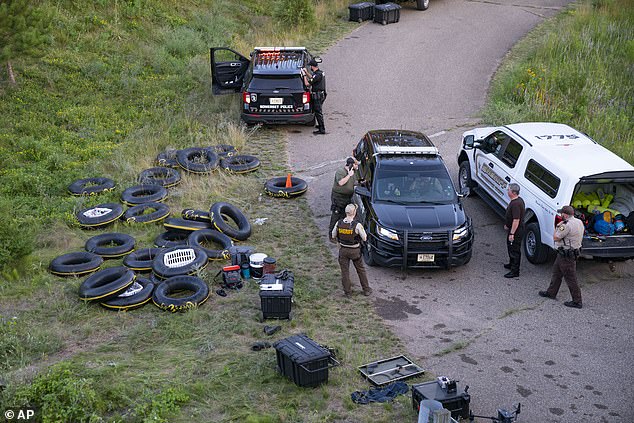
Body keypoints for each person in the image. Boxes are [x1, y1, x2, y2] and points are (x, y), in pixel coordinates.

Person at [539, 205, 585, 308]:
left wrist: (557, 227)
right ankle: (551, 292)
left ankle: (577, 301)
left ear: (565, 215)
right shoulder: (579, 222)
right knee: (556, 273)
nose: (561, 215)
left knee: (571, 278)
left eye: (561, 214)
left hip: (566, 255)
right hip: (567, 253)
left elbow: (556, 237)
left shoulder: (565, 225)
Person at [331, 204, 372, 297]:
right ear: (354, 212)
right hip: (355, 251)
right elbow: (365, 238)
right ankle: (366, 290)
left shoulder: (339, 223)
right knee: (361, 270)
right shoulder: (357, 225)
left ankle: (348, 292)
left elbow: (333, 235)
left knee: (345, 272)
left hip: (343, 250)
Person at [329, 157, 359, 237]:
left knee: (344, 215)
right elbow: (341, 183)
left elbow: (353, 182)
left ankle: (340, 234)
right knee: (336, 215)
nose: (357, 166)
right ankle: (331, 235)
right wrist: (349, 175)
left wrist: (361, 182)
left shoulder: (353, 172)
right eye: (356, 164)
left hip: (348, 197)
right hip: (338, 197)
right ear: (351, 164)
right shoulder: (341, 171)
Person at [503, 183, 525, 278]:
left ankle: (515, 271)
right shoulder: (518, 201)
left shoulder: (516, 204)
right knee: (510, 247)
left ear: (513, 192)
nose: (507, 191)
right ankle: (511, 264)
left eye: (509, 190)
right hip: (513, 229)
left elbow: (516, 220)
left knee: (514, 250)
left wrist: (512, 233)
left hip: (516, 231)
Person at [301, 59, 326, 135]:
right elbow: (312, 78)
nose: (310, 68)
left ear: (312, 66)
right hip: (321, 94)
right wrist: (306, 72)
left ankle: (322, 129)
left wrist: (304, 75)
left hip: (317, 96)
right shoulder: (319, 73)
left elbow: (307, 84)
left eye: (310, 66)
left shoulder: (317, 75)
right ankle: (320, 125)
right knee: (318, 111)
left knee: (318, 112)